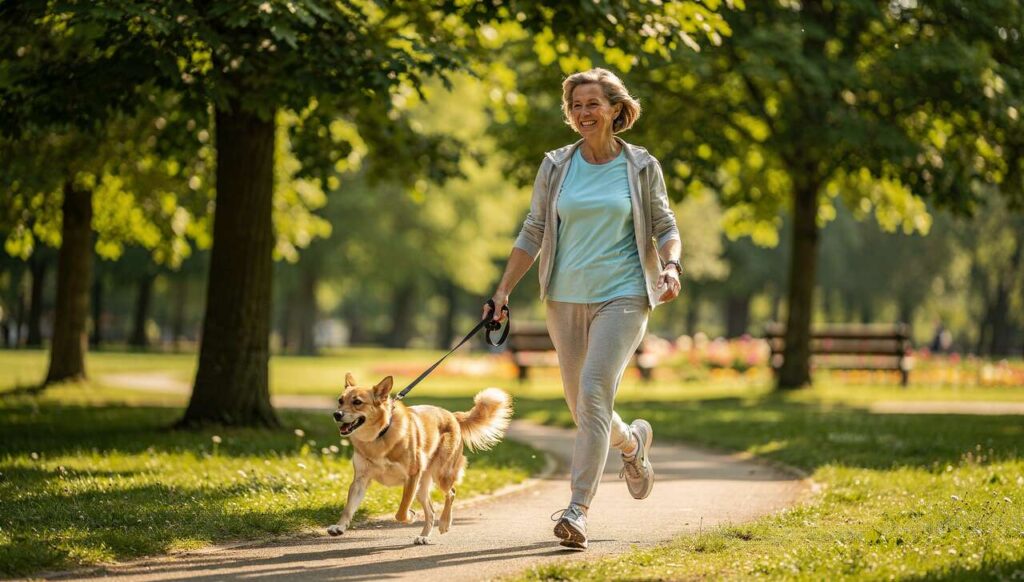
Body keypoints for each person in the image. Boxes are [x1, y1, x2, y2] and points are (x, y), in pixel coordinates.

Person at [484, 68, 682, 549]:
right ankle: (632, 444)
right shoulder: (556, 165)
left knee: (594, 391)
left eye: (592, 103)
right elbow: (533, 229)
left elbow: (664, 224)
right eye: (575, 106)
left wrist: (671, 266)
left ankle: (578, 510)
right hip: (565, 295)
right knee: (581, 403)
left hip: (625, 294)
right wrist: (503, 291)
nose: (583, 113)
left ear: (615, 108)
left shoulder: (639, 165)